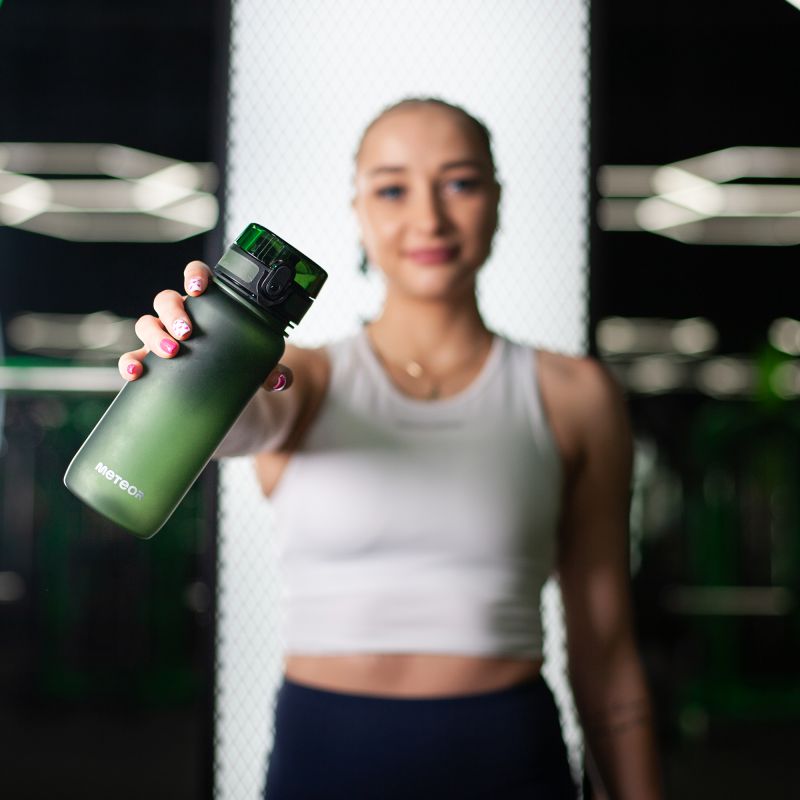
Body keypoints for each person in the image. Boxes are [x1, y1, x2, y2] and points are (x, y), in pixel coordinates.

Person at [120, 97, 663, 799]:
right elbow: (241, 424)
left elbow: (607, 652)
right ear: (358, 209)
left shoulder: (577, 395)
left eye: (459, 182)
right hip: (326, 763)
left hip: (510, 761)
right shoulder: (302, 376)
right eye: (393, 189)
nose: (429, 218)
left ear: (497, 200)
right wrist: (191, 367)